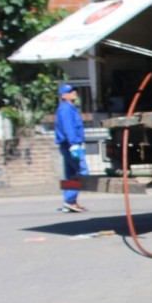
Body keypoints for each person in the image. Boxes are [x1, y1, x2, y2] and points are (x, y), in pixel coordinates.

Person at [55, 84, 89, 212]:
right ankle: (69, 200)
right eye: (70, 92)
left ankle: (70, 202)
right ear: (64, 95)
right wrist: (74, 144)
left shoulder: (70, 108)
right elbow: (68, 127)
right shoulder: (66, 109)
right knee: (82, 172)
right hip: (71, 145)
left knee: (70, 174)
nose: (74, 93)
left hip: (69, 144)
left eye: (74, 91)